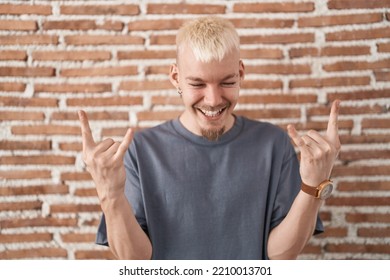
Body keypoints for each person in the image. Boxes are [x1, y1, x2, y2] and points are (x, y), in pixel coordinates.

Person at [78, 16, 340, 260]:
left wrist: (313, 186)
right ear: (175, 78)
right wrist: (110, 194)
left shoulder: (274, 144)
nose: (213, 100)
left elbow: (280, 256)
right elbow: (136, 260)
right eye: (197, 84)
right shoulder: (141, 150)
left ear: (241, 74)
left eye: (227, 82)